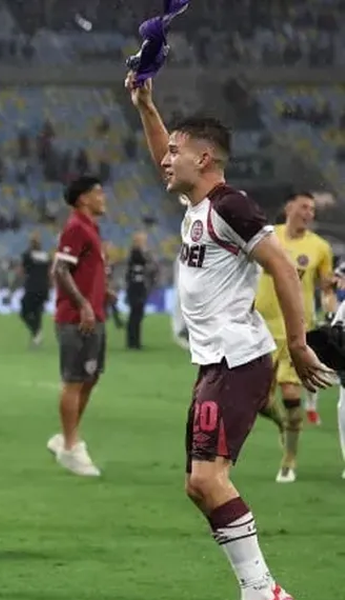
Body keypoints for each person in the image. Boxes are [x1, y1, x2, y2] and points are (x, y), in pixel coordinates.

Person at [128, 73, 335, 600]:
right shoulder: (200, 209)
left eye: (176, 151)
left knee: (206, 481)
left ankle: (263, 590)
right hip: (215, 364)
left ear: (205, 159)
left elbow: (284, 270)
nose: (165, 160)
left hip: (238, 360)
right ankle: (260, 588)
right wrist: (146, 107)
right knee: (199, 485)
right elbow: (161, 157)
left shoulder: (230, 206)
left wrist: (297, 343)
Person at [252, 192, 336, 483]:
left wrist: (332, 310)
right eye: (304, 207)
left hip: (296, 330)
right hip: (259, 328)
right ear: (289, 207)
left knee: (290, 394)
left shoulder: (320, 248)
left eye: (312, 209)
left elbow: (326, 288)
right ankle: (282, 425)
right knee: (260, 401)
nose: (309, 213)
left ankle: (289, 459)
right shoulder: (265, 236)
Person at [47, 176, 108, 477]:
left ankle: (66, 437)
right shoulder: (76, 227)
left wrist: (101, 293)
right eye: (98, 192)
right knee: (74, 380)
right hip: (76, 319)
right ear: (83, 198)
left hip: (95, 315)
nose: (103, 197)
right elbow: (60, 269)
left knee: (90, 377)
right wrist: (82, 304)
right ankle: (71, 446)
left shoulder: (90, 228)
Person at [19, 232, 51, 348]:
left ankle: (36, 332)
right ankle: (37, 336)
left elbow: (22, 271)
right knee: (38, 312)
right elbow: (50, 272)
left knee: (24, 311)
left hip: (32, 287)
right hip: (44, 288)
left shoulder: (27, 255)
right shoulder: (46, 255)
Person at [125, 232, 154, 350]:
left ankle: (135, 341)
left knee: (137, 314)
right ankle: (133, 341)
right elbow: (144, 262)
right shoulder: (136, 253)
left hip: (138, 286)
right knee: (135, 314)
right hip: (135, 287)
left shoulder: (137, 253)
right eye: (142, 240)